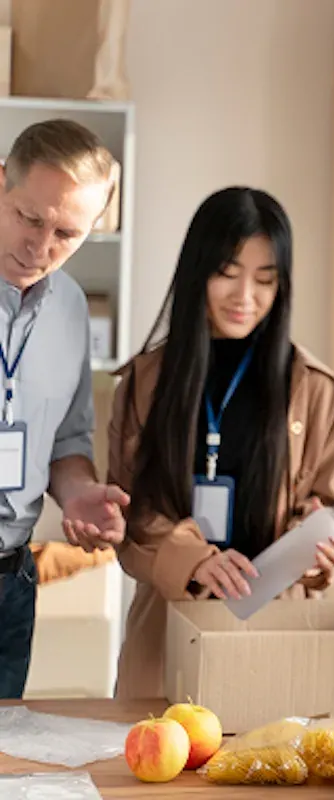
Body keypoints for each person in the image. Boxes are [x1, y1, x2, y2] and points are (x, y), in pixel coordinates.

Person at [109, 186, 334, 700]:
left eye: (265, 279)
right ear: (196, 272)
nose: (244, 296)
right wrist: (196, 559)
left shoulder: (316, 389)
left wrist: (323, 544)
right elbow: (129, 518)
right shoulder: (145, 382)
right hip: (168, 631)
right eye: (227, 273)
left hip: (278, 634)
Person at [0, 119, 132, 699]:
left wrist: (80, 494)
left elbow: (65, 443)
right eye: (30, 218)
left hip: (10, 582)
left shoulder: (71, 308)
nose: (41, 246)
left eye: (67, 233)